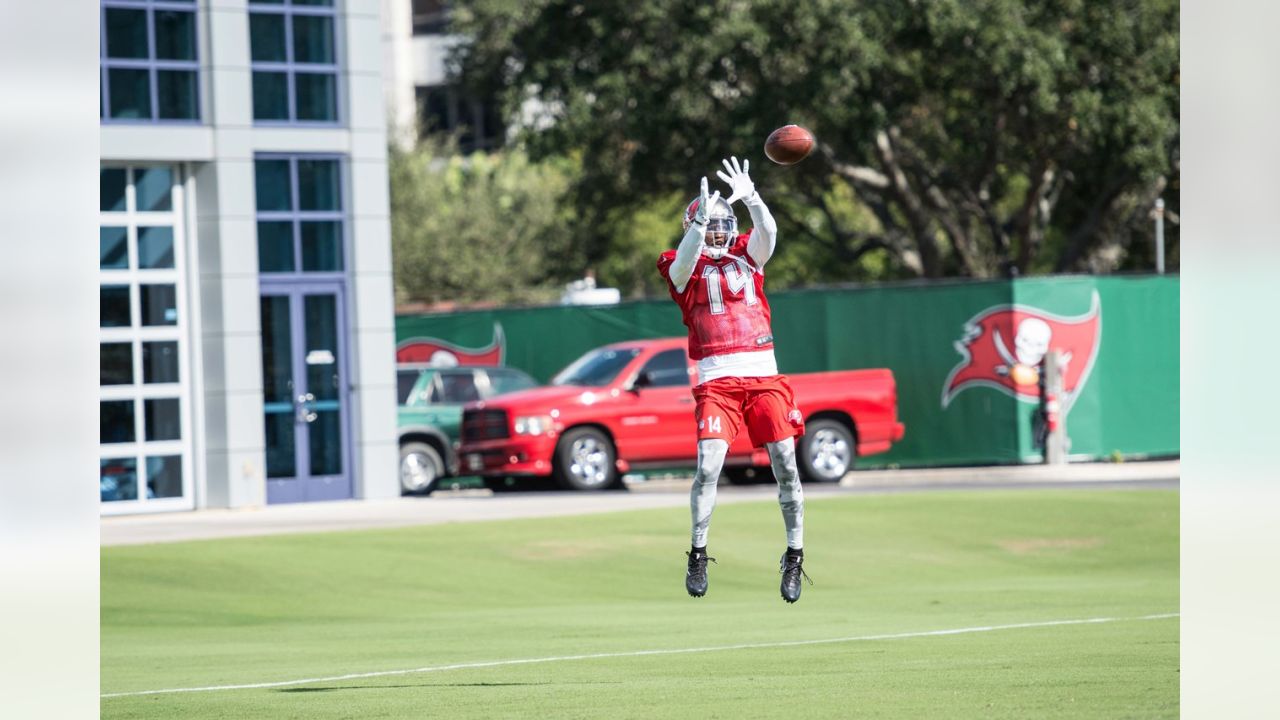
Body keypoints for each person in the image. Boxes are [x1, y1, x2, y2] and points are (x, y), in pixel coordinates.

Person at [656, 157, 811, 603]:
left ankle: (795, 555)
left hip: (763, 375)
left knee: (786, 463)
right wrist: (696, 226)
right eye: (710, 225)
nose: (718, 232)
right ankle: (698, 552)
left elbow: (770, 235)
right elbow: (683, 266)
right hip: (716, 380)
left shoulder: (747, 253)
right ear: (695, 226)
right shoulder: (679, 262)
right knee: (708, 467)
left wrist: (754, 198)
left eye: (724, 224)